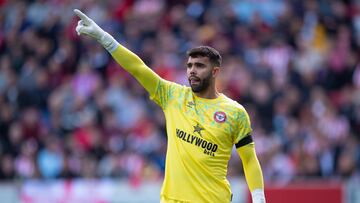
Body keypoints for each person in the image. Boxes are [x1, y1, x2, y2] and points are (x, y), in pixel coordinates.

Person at [74, 9, 266, 203]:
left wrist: (258, 197)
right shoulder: (173, 96)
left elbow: (249, 159)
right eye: (190, 65)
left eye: (199, 66)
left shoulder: (235, 112)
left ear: (215, 71)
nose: (192, 71)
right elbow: (138, 68)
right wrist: (104, 38)